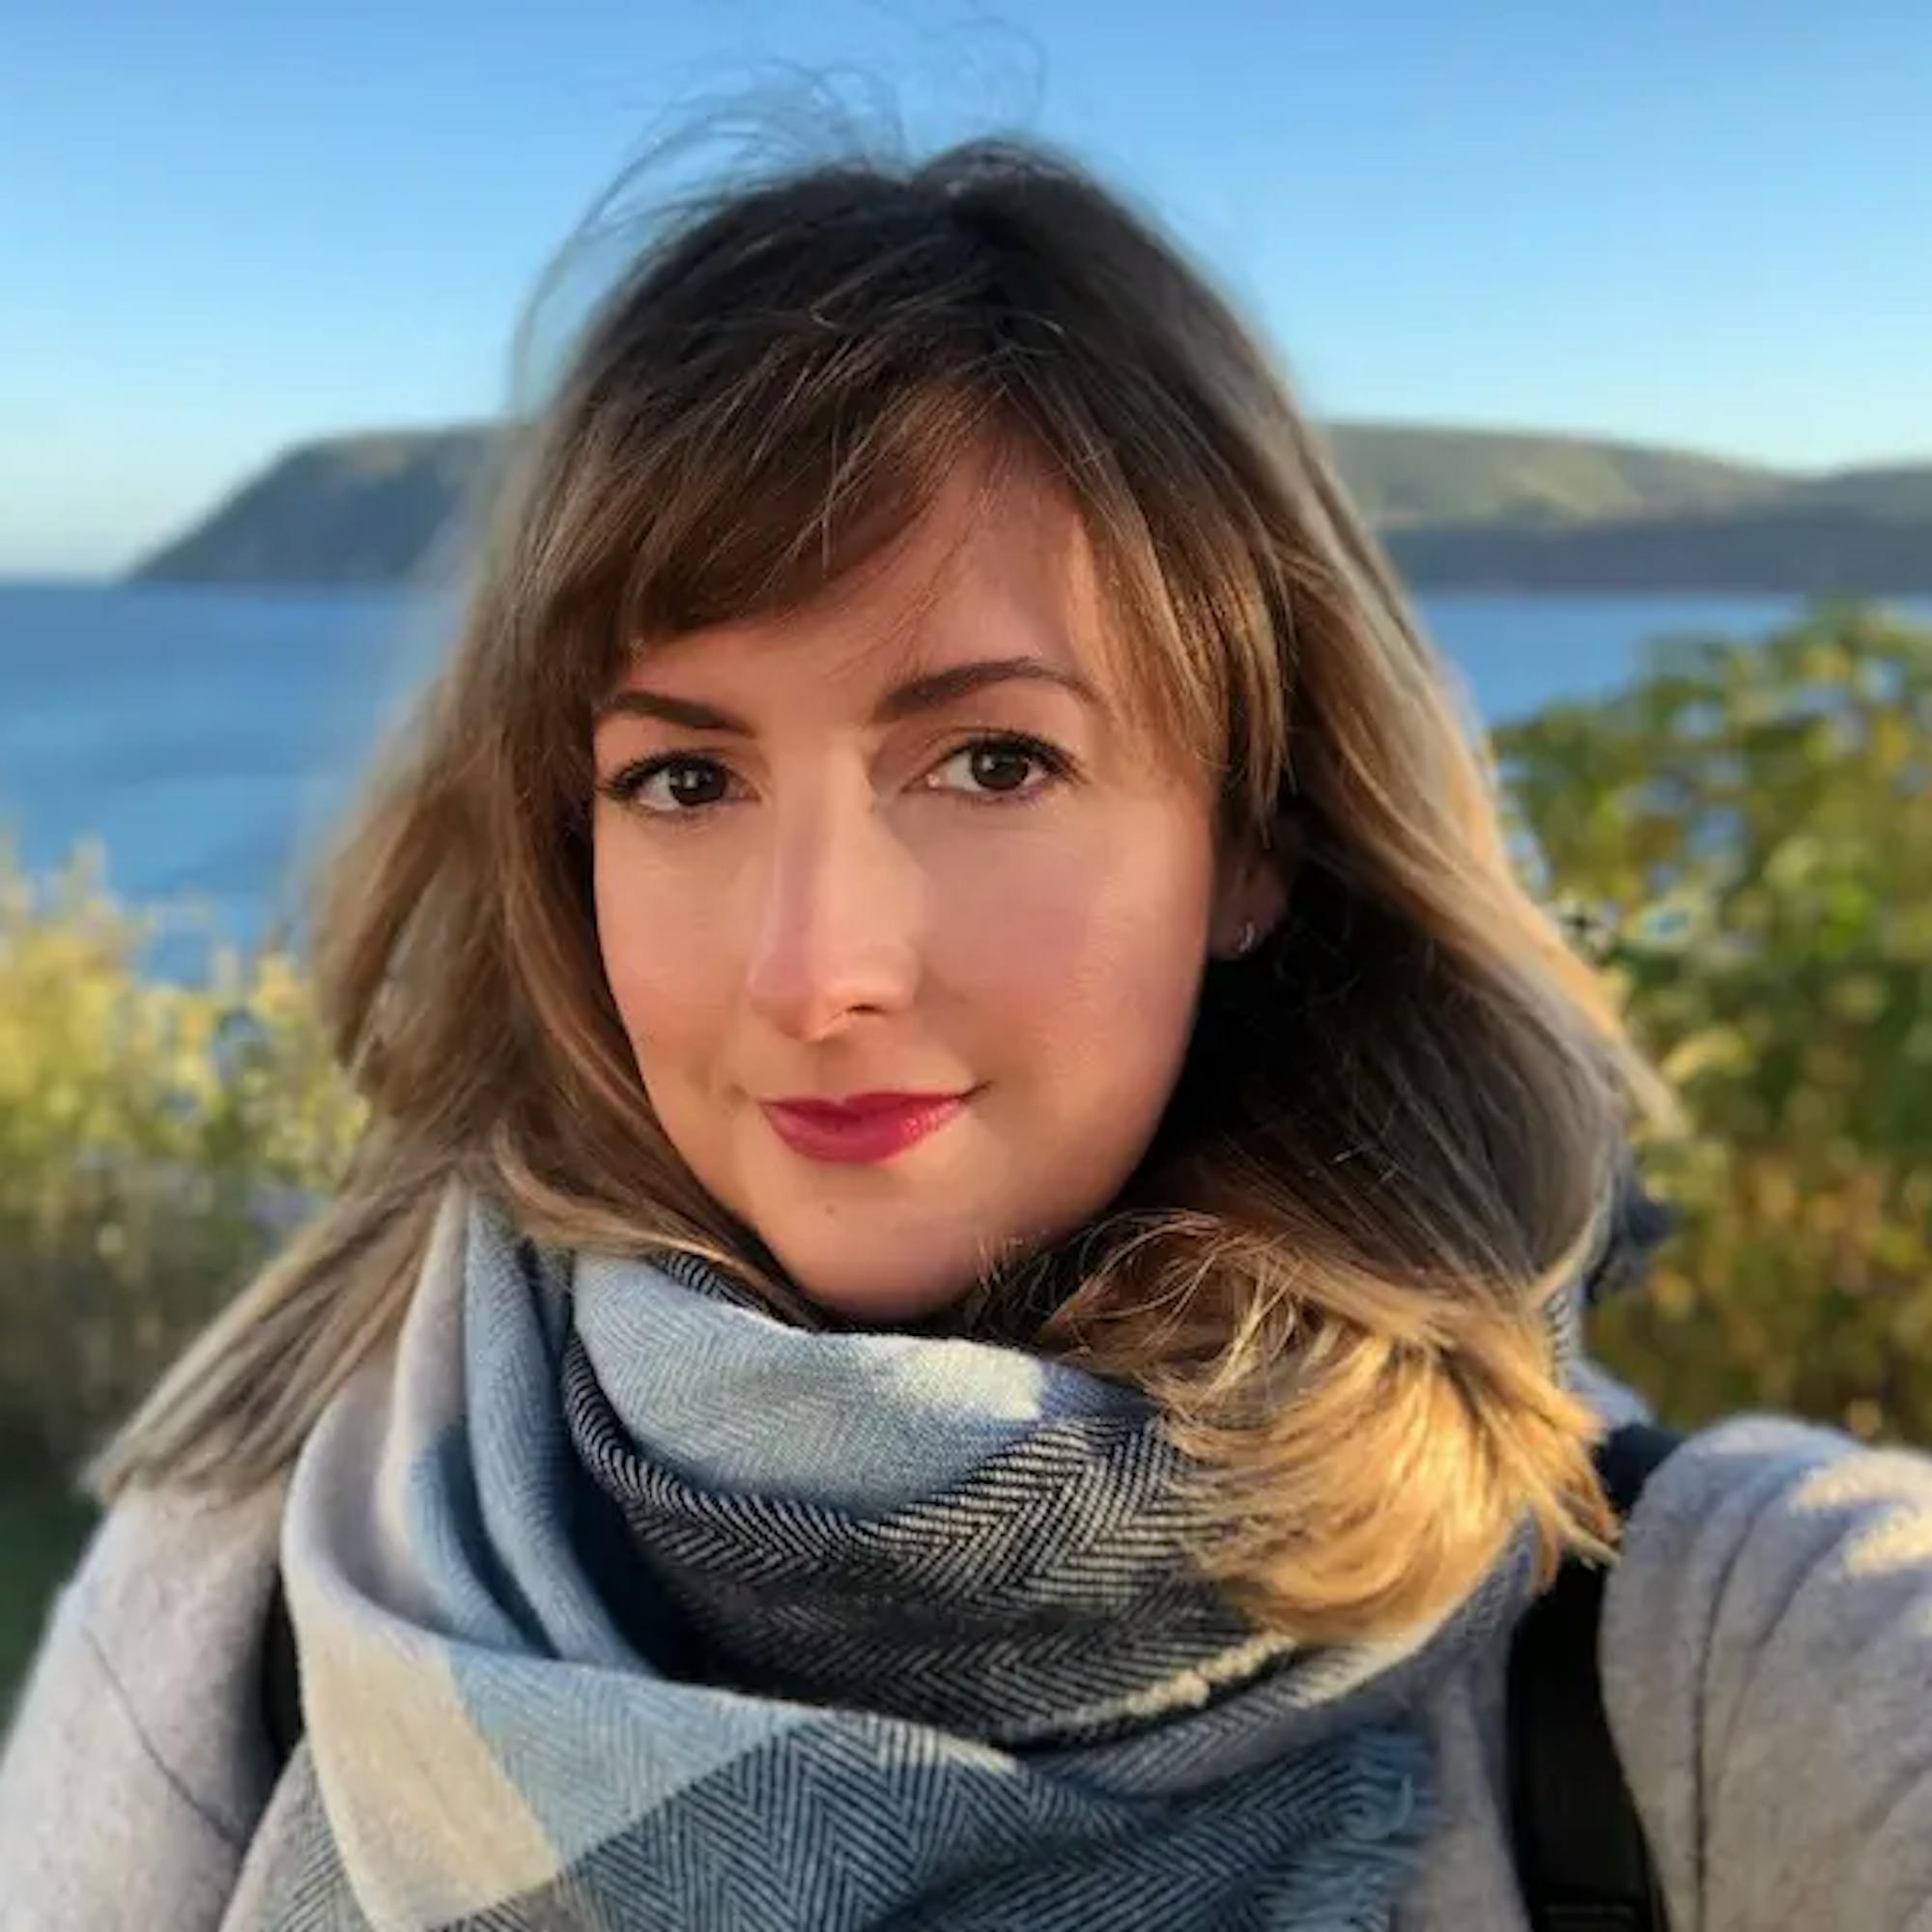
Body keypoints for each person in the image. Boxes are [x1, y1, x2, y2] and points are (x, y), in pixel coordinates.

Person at [4, 130, 1931, 1932]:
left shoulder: (1704, 1656)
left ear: (1250, 836)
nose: (816, 967)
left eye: (992, 759)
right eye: (685, 778)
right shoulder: (256, 1571)